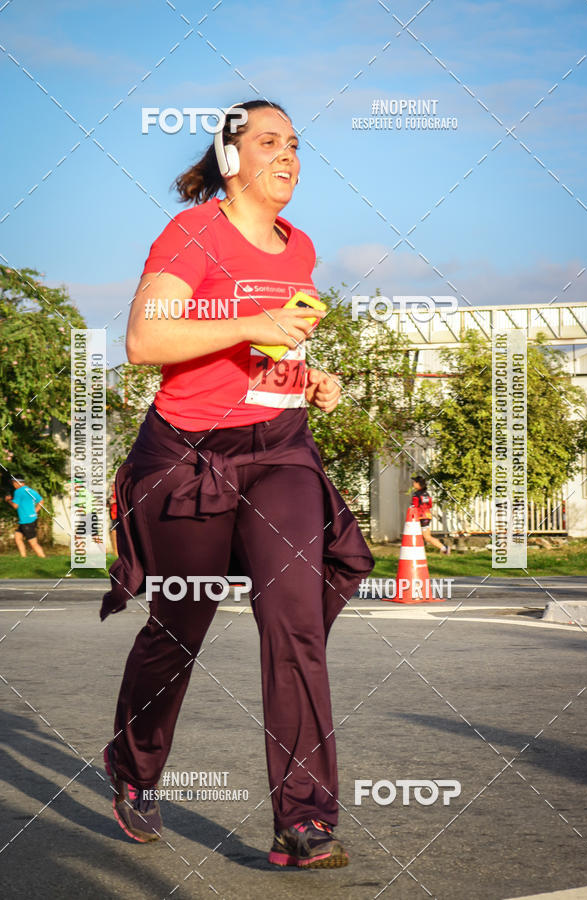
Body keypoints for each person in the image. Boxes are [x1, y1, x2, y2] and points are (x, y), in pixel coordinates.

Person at [100, 100, 374, 868]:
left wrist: (307, 374)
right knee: (179, 624)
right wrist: (249, 327)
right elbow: (145, 339)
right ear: (232, 159)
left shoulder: (301, 246)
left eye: (294, 144)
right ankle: (133, 766)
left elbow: (266, 349)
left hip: (280, 448)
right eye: (268, 143)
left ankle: (305, 821)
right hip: (190, 456)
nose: (287, 156)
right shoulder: (193, 233)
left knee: (294, 618)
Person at [4, 475, 46, 558]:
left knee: (33, 543)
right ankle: (23, 558)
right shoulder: (29, 490)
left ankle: (44, 559)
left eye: (14, 483)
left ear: (18, 482)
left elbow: (15, 506)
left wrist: (8, 500)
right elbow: (41, 500)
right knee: (17, 537)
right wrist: (35, 511)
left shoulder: (18, 491)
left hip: (26, 521)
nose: (13, 485)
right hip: (31, 518)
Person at [411, 475, 450, 554]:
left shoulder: (416, 495)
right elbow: (430, 505)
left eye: (414, 482)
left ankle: (444, 548)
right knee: (423, 536)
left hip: (421, 517)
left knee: (427, 537)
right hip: (427, 516)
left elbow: (414, 507)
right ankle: (419, 551)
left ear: (418, 484)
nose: (413, 483)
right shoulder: (426, 494)